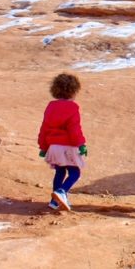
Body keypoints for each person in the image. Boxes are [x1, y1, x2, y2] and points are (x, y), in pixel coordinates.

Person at [37, 72, 87, 211]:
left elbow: (44, 127)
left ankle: (54, 202)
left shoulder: (51, 106)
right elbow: (74, 129)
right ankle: (62, 192)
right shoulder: (73, 107)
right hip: (68, 147)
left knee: (60, 173)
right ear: (73, 91)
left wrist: (43, 147)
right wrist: (81, 144)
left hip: (53, 147)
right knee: (75, 173)